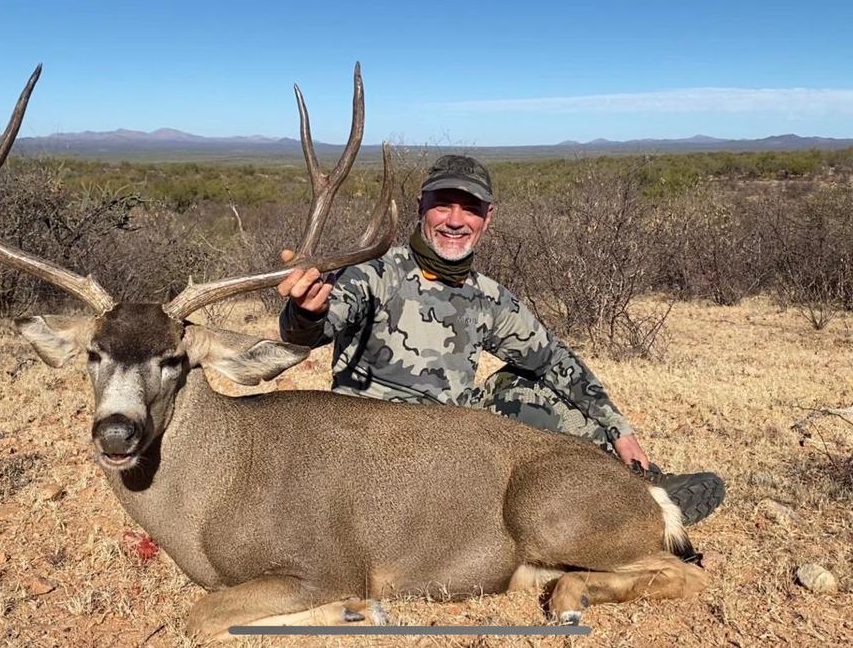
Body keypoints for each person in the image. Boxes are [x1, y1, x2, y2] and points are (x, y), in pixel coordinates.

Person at [277, 154, 724, 526]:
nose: (455, 221)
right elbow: (314, 328)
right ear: (420, 207)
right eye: (443, 205)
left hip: (456, 438)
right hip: (372, 444)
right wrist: (306, 309)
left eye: (469, 209)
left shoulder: (487, 296)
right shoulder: (374, 273)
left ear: (488, 218)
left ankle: (639, 489)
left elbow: (554, 359)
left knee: (525, 389)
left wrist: (619, 430)